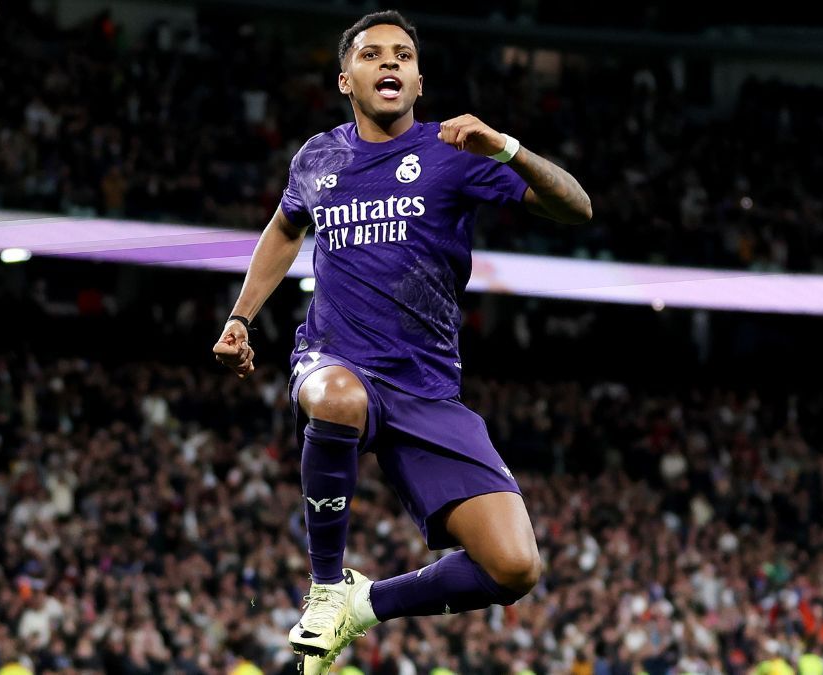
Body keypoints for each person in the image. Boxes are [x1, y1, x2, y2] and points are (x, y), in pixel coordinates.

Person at [212, 9, 592, 671]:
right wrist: (240, 316)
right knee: (335, 396)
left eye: (403, 56)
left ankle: (363, 605)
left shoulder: (455, 153)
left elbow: (576, 207)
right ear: (345, 80)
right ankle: (327, 585)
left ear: (418, 82)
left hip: (427, 390)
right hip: (334, 359)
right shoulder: (318, 157)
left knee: (514, 566)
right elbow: (282, 229)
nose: (389, 63)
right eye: (372, 54)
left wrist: (507, 147)